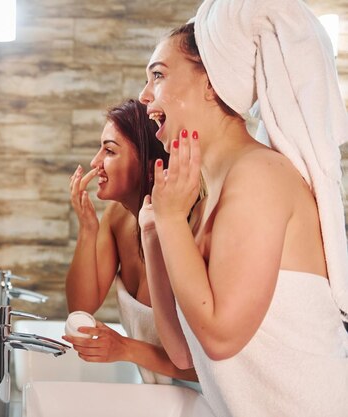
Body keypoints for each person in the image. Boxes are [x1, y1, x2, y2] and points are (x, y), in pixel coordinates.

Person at [138, 2, 348, 415]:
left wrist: (169, 219)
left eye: (158, 75)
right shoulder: (202, 200)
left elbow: (220, 338)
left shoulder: (259, 176)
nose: (145, 95)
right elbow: (184, 352)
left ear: (212, 84)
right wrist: (155, 232)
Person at [62, 98, 197, 384]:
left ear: (152, 166)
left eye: (109, 151)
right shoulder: (117, 218)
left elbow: (211, 370)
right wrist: (87, 228)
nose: (95, 162)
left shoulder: (185, 231)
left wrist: (124, 348)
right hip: (158, 399)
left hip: (199, 402)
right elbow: (81, 305)